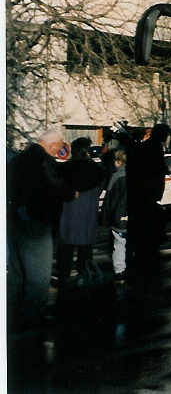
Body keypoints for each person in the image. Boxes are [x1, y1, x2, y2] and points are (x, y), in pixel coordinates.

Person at [6, 129, 99, 331]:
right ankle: (33, 320)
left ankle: (12, 316)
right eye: (59, 147)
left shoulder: (17, 160)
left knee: (16, 274)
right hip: (36, 224)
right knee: (38, 277)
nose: (60, 151)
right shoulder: (44, 162)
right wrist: (70, 193)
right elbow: (52, 187)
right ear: (52, 145)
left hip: (14, 222)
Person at [56, 137, 104, 287]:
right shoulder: (97, 170)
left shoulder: (64, 169)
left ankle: (64, 278)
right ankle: (84, 276)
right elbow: (100, 187)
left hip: (68, 217)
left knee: (65, 252)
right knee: (85, 252)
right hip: (87, 217)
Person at [126, 122, 169, 277]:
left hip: (144, 198)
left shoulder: (150, 147)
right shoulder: (153, 148)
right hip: (146, 198)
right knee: (146, 240)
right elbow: (153, 172)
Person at [100, 149, 128, 281]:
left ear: (118, 162)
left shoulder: (116, 177)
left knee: (119, 244)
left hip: (119, 216)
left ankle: (120, 270)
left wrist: (104, 219)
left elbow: (109, 199)